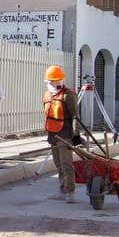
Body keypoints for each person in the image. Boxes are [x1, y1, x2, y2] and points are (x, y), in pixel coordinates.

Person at [44, 65, 82, 203]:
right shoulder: (48, 94)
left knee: (66, 164)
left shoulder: (68, 95)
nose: (52, 83)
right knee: (58, 163)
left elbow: (75, 116)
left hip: (65, 134)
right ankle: (62, 189)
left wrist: (76, 134)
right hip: (52, 134)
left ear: (60, 80)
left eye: (54, 80)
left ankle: (70, 192)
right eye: (50, 81)